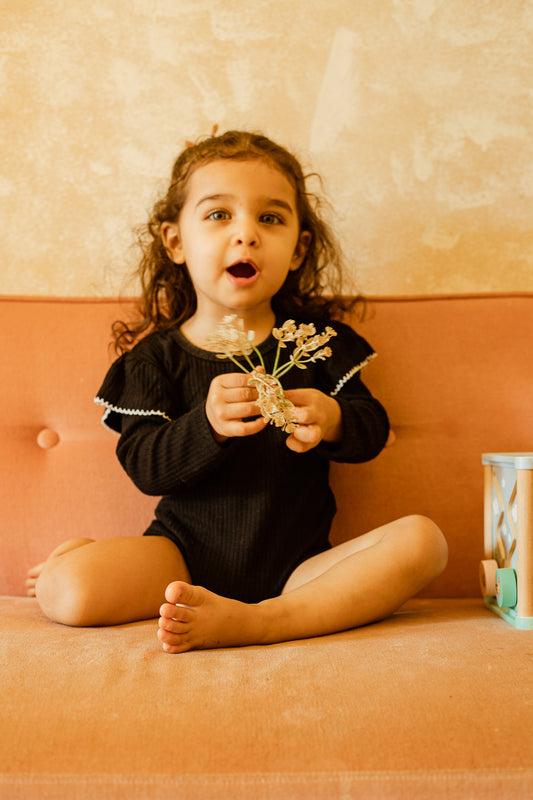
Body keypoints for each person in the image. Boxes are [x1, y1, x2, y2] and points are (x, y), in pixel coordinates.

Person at [26, 129, 448, 653]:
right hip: (180, 557)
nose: (245, 234)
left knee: (425, 541)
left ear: (300, 248)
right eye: (219, 215)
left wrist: (335, 418)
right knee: (66, 591)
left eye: (270, 218)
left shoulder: (320, 345)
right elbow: (144, 465)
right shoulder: (155, 359)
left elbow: (372, 429)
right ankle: (76, 554)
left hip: (302, 566)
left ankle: (267, 620)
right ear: (175, 241)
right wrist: (206, 426)